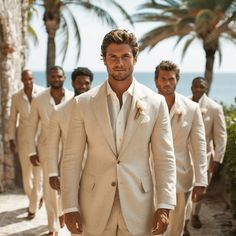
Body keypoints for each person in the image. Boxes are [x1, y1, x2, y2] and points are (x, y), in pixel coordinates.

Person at [61, 29, 176, 236]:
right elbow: (71, 158)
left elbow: (164, 158)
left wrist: (165, 204)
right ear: (104, 60)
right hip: (93, 205)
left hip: (139, 204)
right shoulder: (83, 103)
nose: (119, 63)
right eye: (112, 57)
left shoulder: (156, 103)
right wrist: (70, 207)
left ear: (135, 58)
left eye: (125, 56)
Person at [154, 61, 208, 236]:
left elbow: (199, 146)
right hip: (149, 178)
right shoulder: (146, 105)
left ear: (177, 80)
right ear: (156, 81)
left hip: (180, 178)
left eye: (171, 79)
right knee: (149, 228)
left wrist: (201, 181)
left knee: (174, 229)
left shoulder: (191, 108)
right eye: (163, 79)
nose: (167, 83)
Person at [27, 66, 73, 236]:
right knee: (49, 189)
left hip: (68, 149)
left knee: (66, 185)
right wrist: (32, 152)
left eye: (59, 76)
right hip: (46, 150)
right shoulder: (38, 99)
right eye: (53, 76)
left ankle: (62, 211)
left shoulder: (72, 97)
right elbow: (30, 128)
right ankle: (52, 227)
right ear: (49, 78)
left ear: (64, 77)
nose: (56, 79)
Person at [47, 67, 94, 234]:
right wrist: (52, 172)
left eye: (86, 83)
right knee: (74, 218)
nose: (82, 85)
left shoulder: (98, 109)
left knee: (94, 216)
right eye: (79, 82)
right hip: (70, 171)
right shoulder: (59, 111)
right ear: (73, 83)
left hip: (96, 170)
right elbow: (51, 145)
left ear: (91, 85)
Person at [187, 77, 227, 229]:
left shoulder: (214, 108)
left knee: (199, 190)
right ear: (191, 87)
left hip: (205, 158)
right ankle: (183, 224)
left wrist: (217, 159)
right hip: (184, 156)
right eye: (195, 86)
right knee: (184, 190)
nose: (197, 89)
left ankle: (195, 214)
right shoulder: (184, 103)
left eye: (201, 87)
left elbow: (221, 136)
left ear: (206, 88)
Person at [8, 69, 44, 219]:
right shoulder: (16, 97)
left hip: (41, 139)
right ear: (21, 80)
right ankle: (35, 197)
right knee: (26, 176)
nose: (27, 82)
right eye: (24, 80)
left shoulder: (42, 93)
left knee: (38, 175)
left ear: (33, 78)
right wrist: (11, 139)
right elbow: (12, 119)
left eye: (29, 79)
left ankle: (33, 207)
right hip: (23, 140)